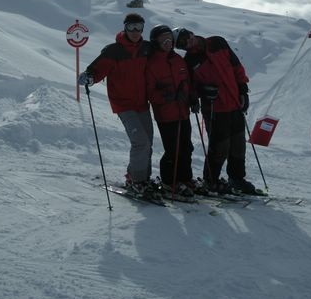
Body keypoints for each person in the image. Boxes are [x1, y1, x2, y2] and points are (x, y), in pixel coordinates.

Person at [172, 27, 257, 195]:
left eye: (185, 37)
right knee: (220, 146)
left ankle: (237, 179)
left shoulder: (217, 42)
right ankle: (211, 180)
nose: (186, 42)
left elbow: (236, 66)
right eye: (181, 44)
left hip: (234, 102)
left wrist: (243, 90)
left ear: (190, 33)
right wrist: (202, 92)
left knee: (238, 145)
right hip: (214, 109)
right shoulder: (189, 61)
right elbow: (191, 87)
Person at [79, 13, 154, 197]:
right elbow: (96, 70)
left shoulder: (147, 48)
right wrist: (89, 77)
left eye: (139, 26)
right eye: (131, 27)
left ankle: (140, 178)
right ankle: (136, 182)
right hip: (123, 104)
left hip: (142, 104)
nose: (135, 31)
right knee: (140, 142)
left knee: (147, 143)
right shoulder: (114, 51)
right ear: (125, 28)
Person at [146, 25, 195, 200]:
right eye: (162, 39)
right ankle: (169, 181)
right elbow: (149, 91)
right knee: (173, 149)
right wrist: (166, 95)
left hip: (183, 112)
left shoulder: (179, 60)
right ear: (155, 42)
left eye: (169, 38)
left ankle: (185, 178)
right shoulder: (152, 64)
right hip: (166, 114)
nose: (167, 42)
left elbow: (186, 83)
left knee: (186, 147)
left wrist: (190, 98)